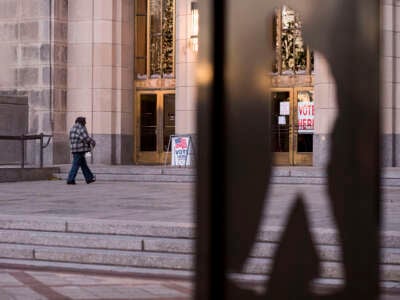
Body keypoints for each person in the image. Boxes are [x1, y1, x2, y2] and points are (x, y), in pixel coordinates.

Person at [67, 117, 96, 185]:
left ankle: (89, 178)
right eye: (85, 121)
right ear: (82, 122)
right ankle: (70, 179)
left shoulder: (73, 128)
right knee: (76, 164)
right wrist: (92, 141)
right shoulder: (81, 127)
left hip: (74, 148)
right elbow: (85, 137)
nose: (85, 123)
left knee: (83, 164)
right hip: (80, 149)